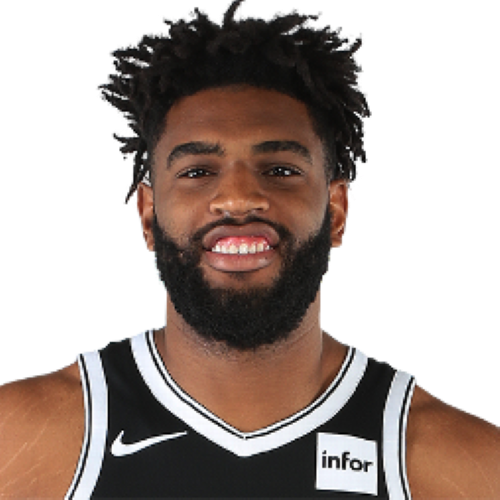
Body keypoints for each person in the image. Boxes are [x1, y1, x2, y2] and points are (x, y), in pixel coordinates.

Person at [1, 1, 498, 498]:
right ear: (148, 214)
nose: (238, 199)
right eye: (198, 171)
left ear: (337, 211)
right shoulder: (21, 437)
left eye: (280, 170)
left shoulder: (463, 463)